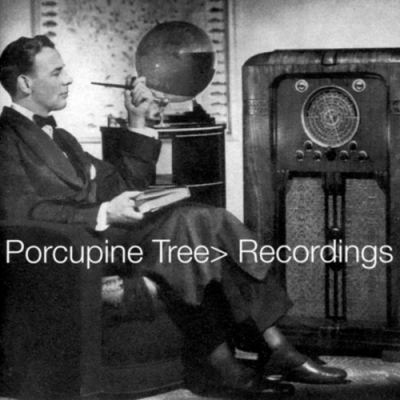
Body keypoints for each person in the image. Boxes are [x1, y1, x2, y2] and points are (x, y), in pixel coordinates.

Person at [0, 35, 347, 396]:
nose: (68, 78)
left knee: (207, 219)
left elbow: (122, 185)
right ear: (25, 83)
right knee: (188, 224)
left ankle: (272, 347)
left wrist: (138, 120)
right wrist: (104, 211)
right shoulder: (5, 138)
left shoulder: (63, 138)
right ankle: (233, 363)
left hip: (111, 240)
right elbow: (20, 211)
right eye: (56, 72)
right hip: (71, 255)